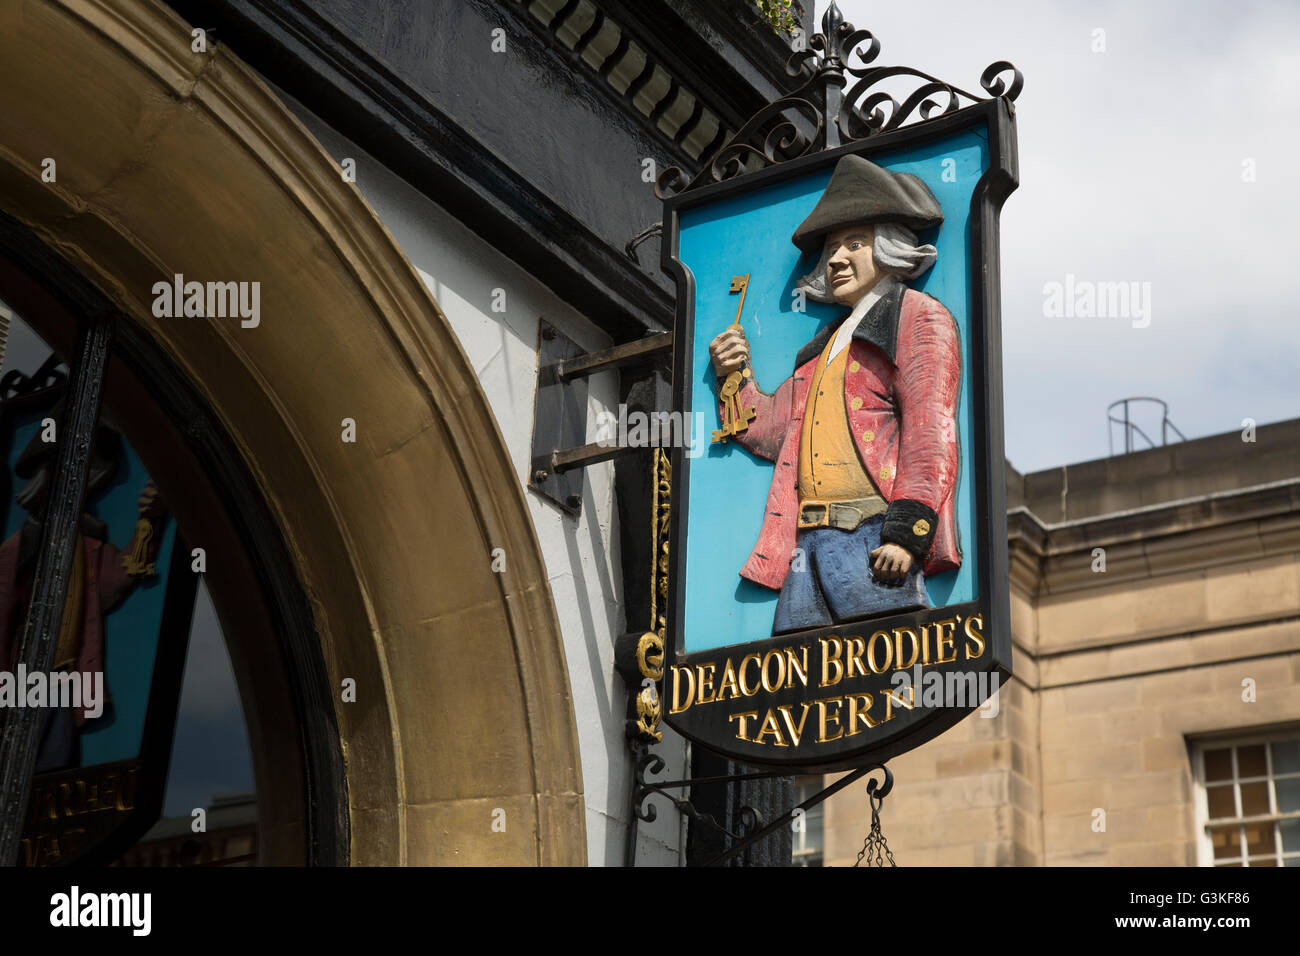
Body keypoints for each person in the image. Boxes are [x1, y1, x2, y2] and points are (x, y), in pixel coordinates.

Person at [708, 154, 962, 634]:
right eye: (832, 249)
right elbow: (769, 428)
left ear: (889, 246)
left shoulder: (918, 317)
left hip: (873, 540)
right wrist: (733, 374)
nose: (837, 258)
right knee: (800, 687)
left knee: (889, 679)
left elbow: (931, 432)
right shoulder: (823, 346)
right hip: (806, 545)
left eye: (855, 243)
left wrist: (907, 535)